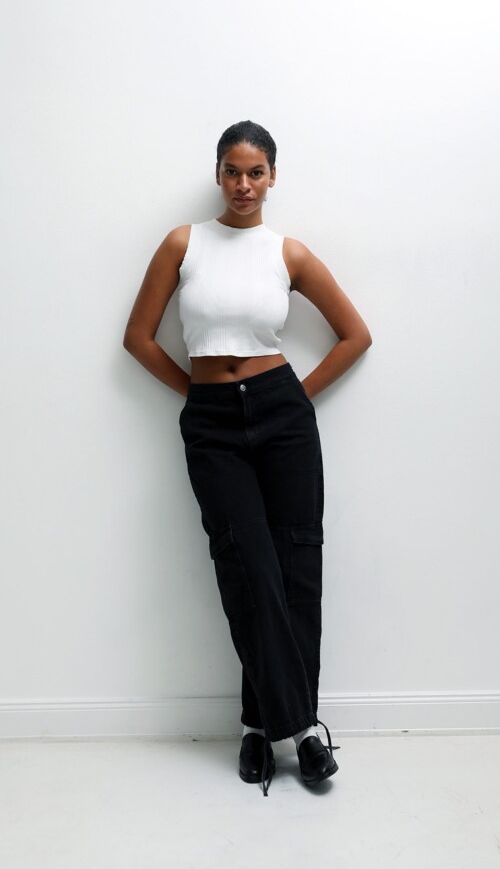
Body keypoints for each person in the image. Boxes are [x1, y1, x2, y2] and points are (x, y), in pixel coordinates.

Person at [123, 119, 372, 796]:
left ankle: (261, 729)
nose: (243, 184)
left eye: (255, 172)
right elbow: (139, 338)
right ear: (217, 174)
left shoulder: (287, 253)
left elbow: (355, 335)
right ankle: (304, 732)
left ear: (272, 178)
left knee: (295, 571)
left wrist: (293, 398)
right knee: (248, 569)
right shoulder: (184, 243)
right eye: (232, 171)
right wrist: (200, 397)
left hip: (282, 416)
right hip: (213, 425)